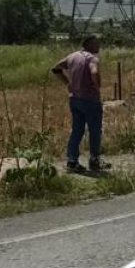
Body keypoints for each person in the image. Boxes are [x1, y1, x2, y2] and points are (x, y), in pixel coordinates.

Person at [51, 33, 109, 173]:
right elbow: (94, 72)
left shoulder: (72, 56)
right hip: (90, 99)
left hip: (75, 99)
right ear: (88, 44)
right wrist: (97, 86)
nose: (99, 46)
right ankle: (94, 160)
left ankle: (72, 161)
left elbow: (56, 68)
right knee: (95, 130)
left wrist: (68, 83)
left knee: (77, 130)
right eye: (96, 43)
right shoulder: (92, 59)